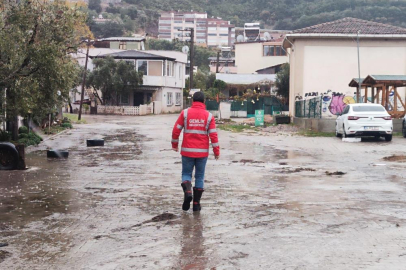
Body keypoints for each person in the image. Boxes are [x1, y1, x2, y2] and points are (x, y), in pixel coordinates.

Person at [171, 91, 220, 212]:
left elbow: (176, 129)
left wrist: (174, 144)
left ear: (193, 101)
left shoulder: (185, 113)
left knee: (186, 174)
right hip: (202, 153)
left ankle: (188, 191)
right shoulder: (209, 116)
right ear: (204, 101)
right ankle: (196, 204)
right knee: (199, 176)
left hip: (187, 151)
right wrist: (216, 151)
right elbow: (213, 135)